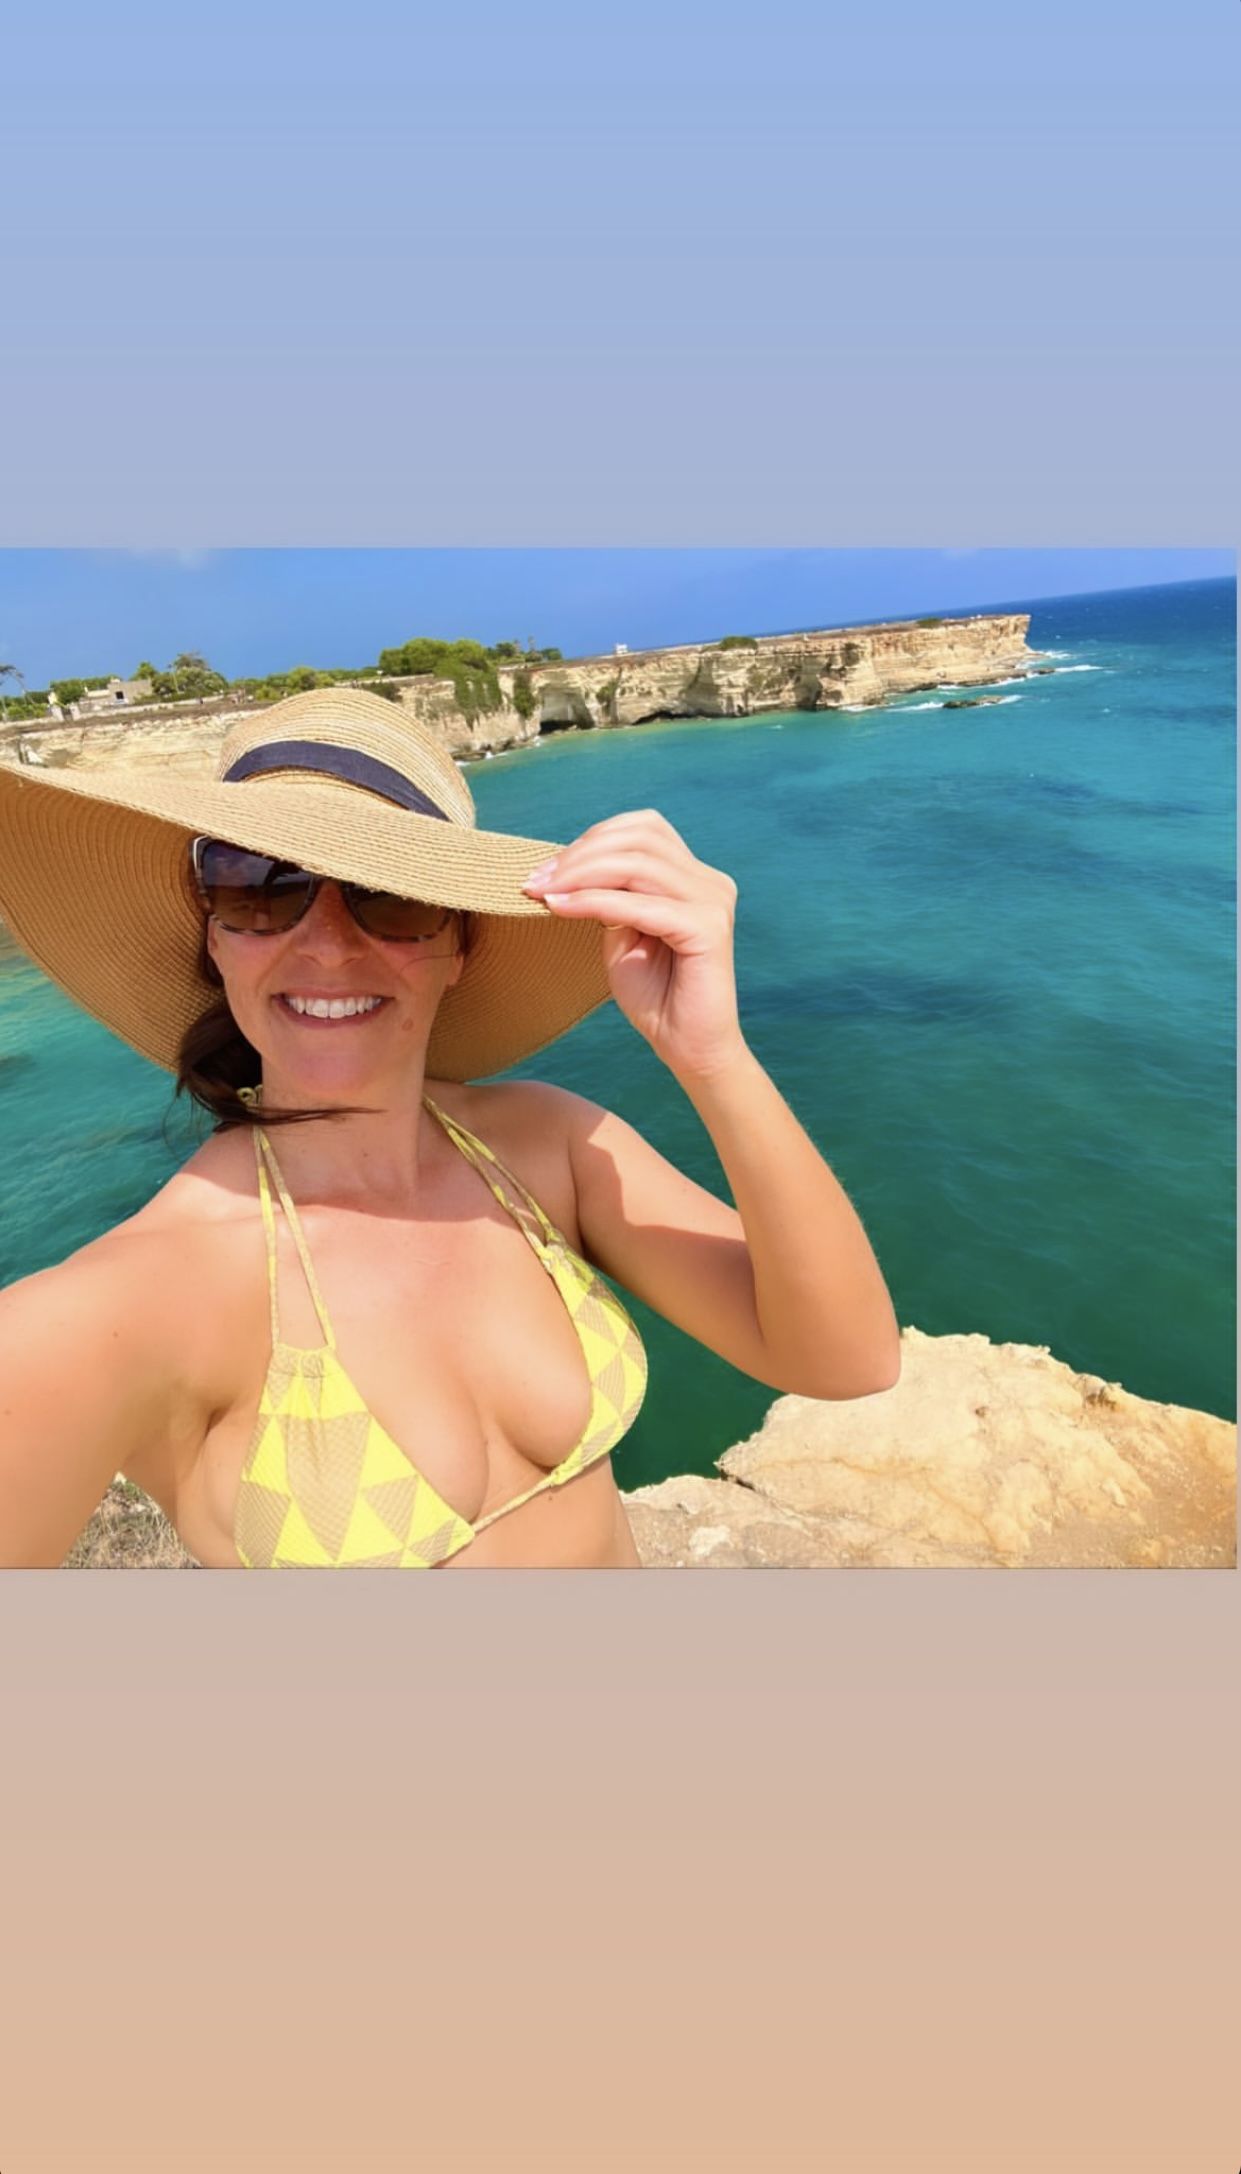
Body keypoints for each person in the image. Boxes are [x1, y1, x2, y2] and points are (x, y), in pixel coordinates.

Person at [0, 686, 900, 1569]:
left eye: (388, 896)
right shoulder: (121, 1307)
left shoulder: (545, 1145)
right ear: (215, 937)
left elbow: (845, 1361)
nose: (326, 946)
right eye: (259, 887)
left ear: (459, 947)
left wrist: (712, 1057)